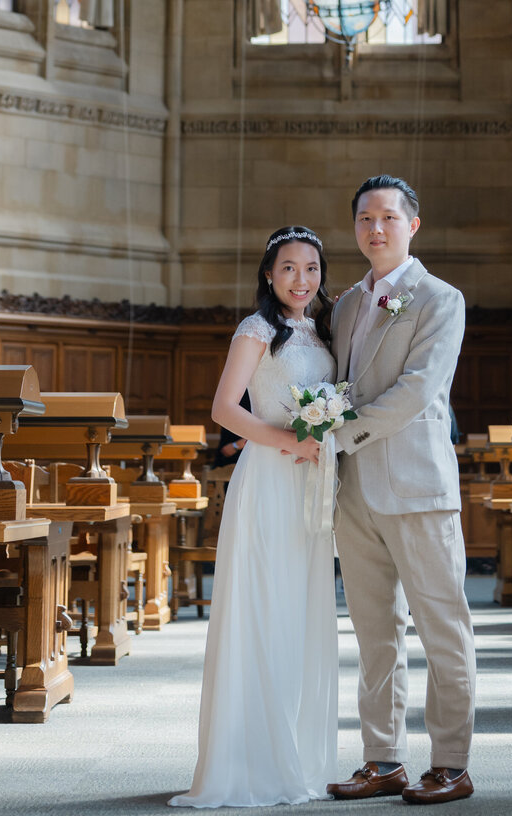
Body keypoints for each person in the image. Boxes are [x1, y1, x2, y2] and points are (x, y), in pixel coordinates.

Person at [168, 226, 337, 808]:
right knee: (264, 607)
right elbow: (223, 408)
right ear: (269, 274)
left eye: (311, 268)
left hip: (312, 484)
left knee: (300, 610)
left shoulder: (323, 327)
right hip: (268, 479)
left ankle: (291, 748)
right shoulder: (257, 328)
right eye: (289, 268)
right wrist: (286, 442)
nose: (301, 279)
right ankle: (248, 759)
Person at [325, 174, 476, 807]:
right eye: (364, 219)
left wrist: (339, 433)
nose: (375, 228)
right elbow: (337, 384)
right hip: (353, 492)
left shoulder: (440, 299)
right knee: (373, 634)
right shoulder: (344, 306)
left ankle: (451, 763)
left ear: (412, 225)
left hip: (416, 489)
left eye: (387, 217)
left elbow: (417, 391)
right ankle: (382, 758)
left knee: (443, 631)